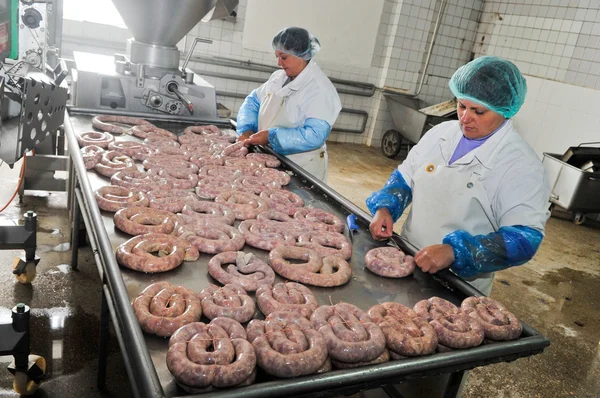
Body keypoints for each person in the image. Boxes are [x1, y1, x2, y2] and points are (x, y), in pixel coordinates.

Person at [366, 56, 551, 296]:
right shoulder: (441, 133)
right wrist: (385, 208)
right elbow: (405, 177)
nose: (465, 118)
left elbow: (525, 238)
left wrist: (456, 252)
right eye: (462, 106)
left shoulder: (520, 164)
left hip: (459, 283)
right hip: (407, 257)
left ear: (504, 110)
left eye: (478, 111)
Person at [236, 27, 342, 182]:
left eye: (283, 57)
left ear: (301, 55)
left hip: (301, 167)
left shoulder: (319, 89)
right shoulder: (278, 78)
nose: (279, 63)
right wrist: (247, 128)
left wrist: (272, 136)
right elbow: (253, 101)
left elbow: (315, 135)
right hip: (271, 158)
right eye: (277, 56)